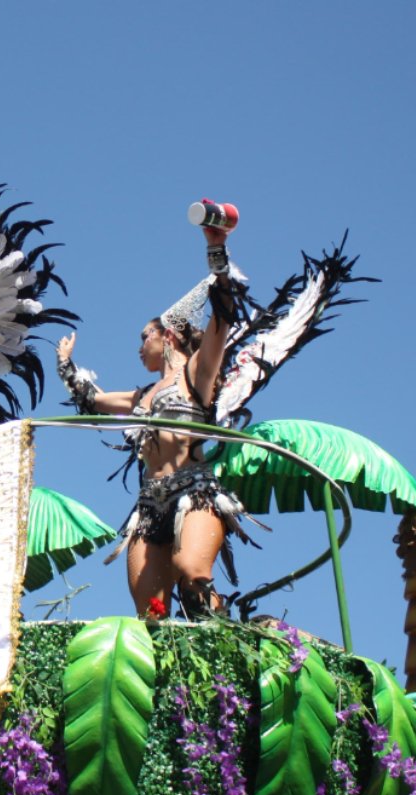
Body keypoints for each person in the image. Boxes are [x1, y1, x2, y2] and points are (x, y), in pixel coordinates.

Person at [55, 225, 255, 618]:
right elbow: (91, 399)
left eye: (143, 336)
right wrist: (65, 365)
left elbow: (223, 317)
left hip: (193, 489)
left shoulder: (197, 373)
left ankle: (218, 662)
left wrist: (217, 251)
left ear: (168, 335)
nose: (138, 347)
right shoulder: (141, 396)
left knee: (193, 574)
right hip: (149, 504)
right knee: (150, 610)